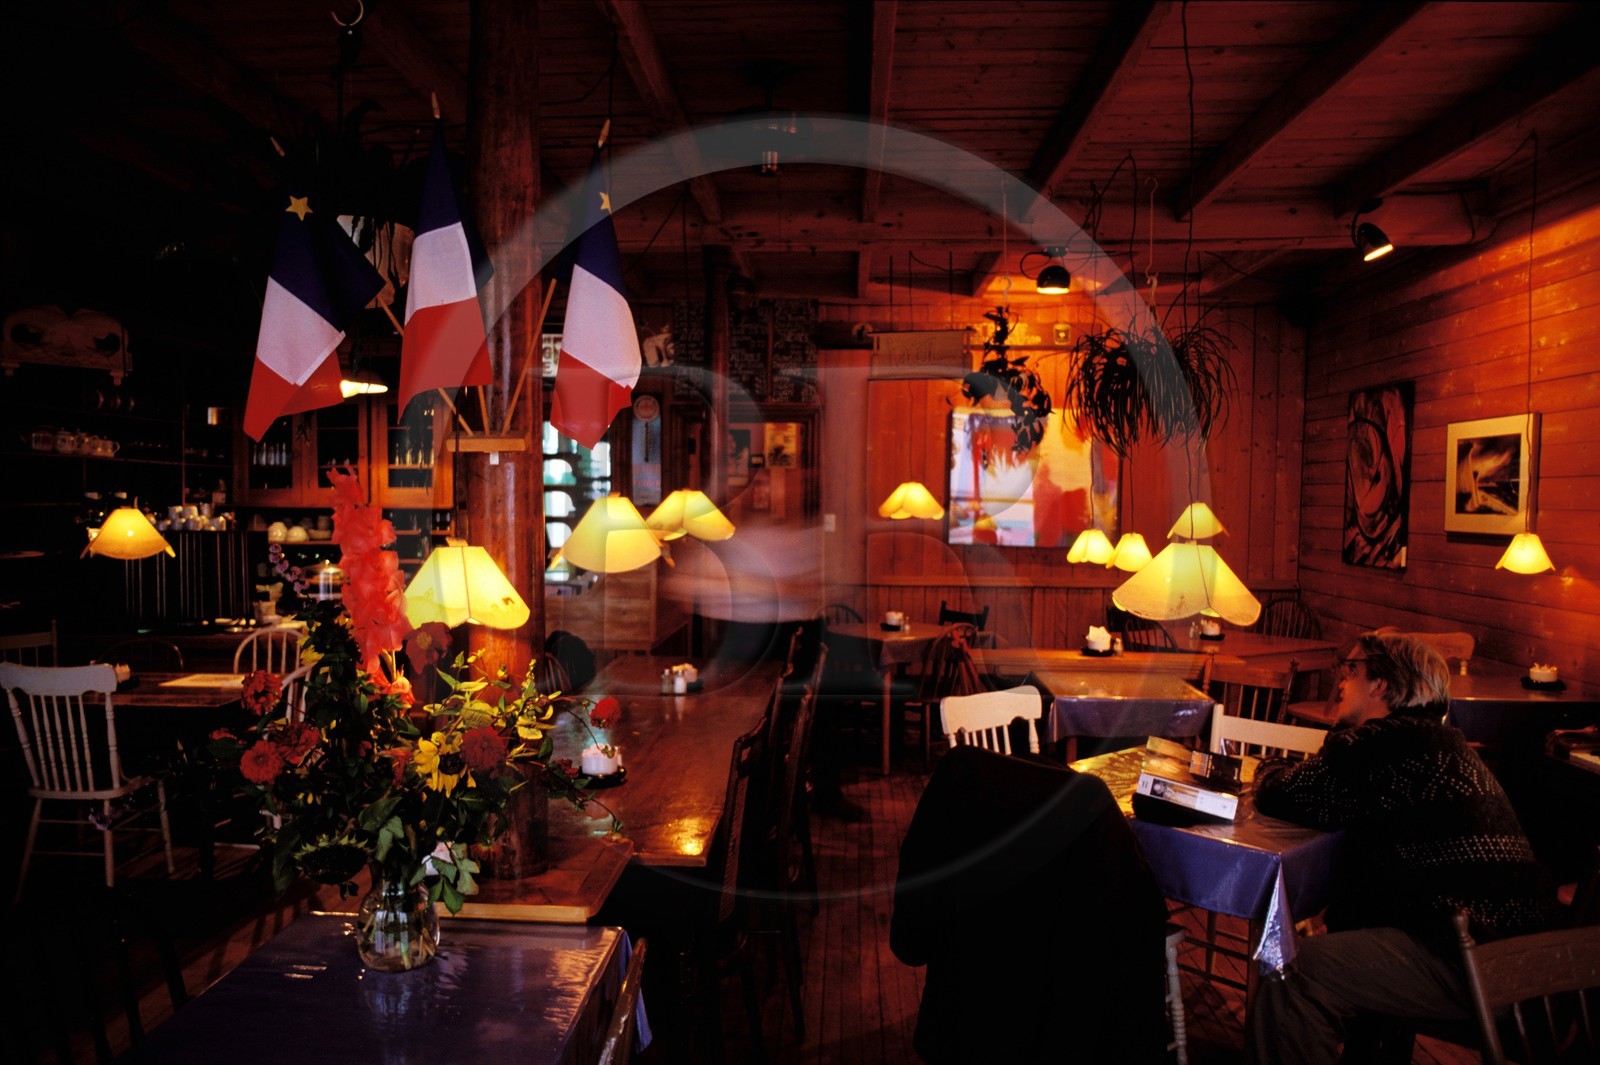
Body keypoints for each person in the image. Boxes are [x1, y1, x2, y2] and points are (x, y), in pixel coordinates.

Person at [1244, 631, 1562, 1065]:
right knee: (1351, 938)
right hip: (1538, 958)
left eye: (1350, 669)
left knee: (1294, 972)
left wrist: (1266, 769)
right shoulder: (1444, 744)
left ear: (1381, 684)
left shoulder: (1377, 744)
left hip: (1480, 964)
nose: (1340, 680)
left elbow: (1283, 794)